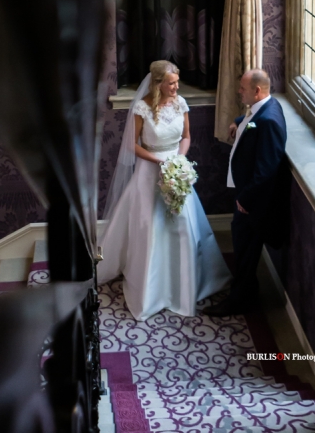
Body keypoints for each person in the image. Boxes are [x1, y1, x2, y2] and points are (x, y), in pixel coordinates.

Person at [98, 60, 231, 321]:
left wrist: (178, 160)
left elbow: (186, 137)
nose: (176, 87)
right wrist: (160, 162)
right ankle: (151, 290)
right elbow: (132, 145)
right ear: (158, 83)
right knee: (152, 228)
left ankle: (184, 285)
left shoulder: (181, 103)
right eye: (171, 83)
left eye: (177, 82)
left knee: (182, 225)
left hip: (176, 171)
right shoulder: (142, 108)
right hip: (150, 173)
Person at [203, 69, 287, 317]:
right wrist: (238, 121)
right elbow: (252, 120)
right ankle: (247, 291)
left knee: (245, 251)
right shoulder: (264, 108)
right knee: (243, 247)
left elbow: (266, 169)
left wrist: (245, 199)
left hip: (253, 202)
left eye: (242, 88)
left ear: (257, 90)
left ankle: (238, 301)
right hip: (246, 194)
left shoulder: (269, 121)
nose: (239, 91)